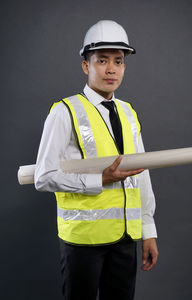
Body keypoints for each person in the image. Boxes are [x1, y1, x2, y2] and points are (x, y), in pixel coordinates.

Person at [34, 20, 158, 300]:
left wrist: (148, 230)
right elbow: (43, 176)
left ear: (125, 66)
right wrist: (99, 179)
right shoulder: (64, 112)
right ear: (86, 66)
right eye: (102, 60)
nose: (111, 68)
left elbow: (141, 173)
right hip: (83, 242)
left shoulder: (128, 112)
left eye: (118, 61)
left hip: (126, 238)